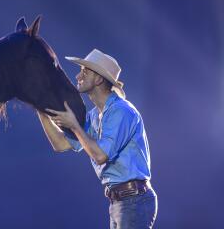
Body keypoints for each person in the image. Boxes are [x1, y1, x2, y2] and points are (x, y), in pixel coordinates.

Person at [37, 49, 158, 229]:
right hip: (121, 202)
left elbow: (100, 156)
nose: (78, 76)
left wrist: (75, 126)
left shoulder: (121, 112)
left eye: (85, 72)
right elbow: (60, 144)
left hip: (134, 201)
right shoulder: (95, 116)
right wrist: (39, 106)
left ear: (99, 79)